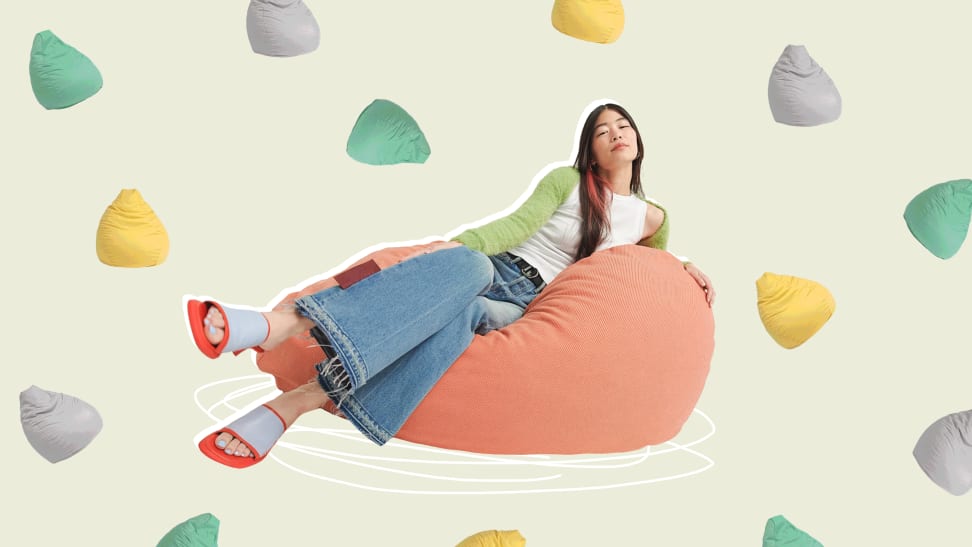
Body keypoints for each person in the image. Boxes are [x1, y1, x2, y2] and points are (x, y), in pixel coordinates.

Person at [187, 101, 716, 468]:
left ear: (638, 140)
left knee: (464, 318)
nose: (616, 133)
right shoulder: (567, 181)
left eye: (623, 125)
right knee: (471, 271)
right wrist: (450, 247)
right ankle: (286, 328)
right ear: (592, 152)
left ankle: (299, 388)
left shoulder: (653, 217)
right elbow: (514, 226)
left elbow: (638, 287)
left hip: (532, 307)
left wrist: (685, 270)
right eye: (603, 131)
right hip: (501, 267)